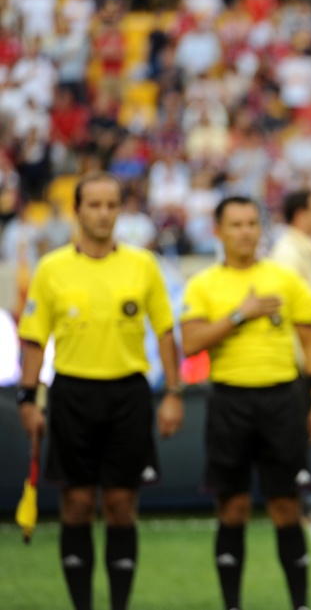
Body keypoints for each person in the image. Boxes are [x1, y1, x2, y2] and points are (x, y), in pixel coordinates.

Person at [16, 172, 183, 610]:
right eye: (94, 205)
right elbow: (33, 338)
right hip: (71, 393)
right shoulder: (52, 268)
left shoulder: (142, 264)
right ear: (78, 211)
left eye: (112, 205)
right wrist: (27, 399)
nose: (104, 213)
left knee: (122, 504)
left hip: (128, 394)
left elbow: (166, 332)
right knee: (75, 503)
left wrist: (174, 393)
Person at [180, 196, 311, 610]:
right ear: (218, 231)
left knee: (286, 503)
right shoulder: (204, 284)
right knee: (231, 505)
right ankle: (233, 604)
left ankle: (299, 603)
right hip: (229, 401)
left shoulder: (285, 280)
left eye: (252, 223)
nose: (246, 231)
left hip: (283, 401)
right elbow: (190, 343)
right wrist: (238, 315)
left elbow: (310, 343)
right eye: (236, 224)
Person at [270, 188, 311, 346]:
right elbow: (286, 308)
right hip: (304, 344)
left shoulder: (301, 249)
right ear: (301, 214)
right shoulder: (288, 253)